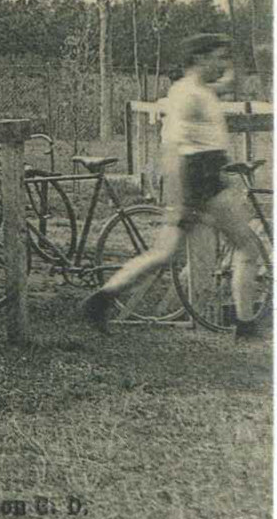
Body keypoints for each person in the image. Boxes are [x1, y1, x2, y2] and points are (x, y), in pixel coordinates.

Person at [87, 33, 271, 340]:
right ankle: (245, 324)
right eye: (218, 56)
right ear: (200, 59)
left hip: (210, 175)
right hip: (196, 178)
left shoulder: (202, 89)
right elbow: (171, 150)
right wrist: (176, 201)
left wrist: (246, 56)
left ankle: (103, 299)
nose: (223, 64)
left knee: (231, 248)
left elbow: (226, 82)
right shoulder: (186, 95)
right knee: (230, 249)